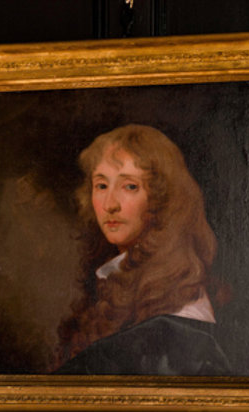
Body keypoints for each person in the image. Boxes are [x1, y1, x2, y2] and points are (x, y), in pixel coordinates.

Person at [53, 124, 231, 375]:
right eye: (101, 186)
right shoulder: (108, 277)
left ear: (161, 200)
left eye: (130, 186)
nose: (110, 204)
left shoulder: (183, 307)